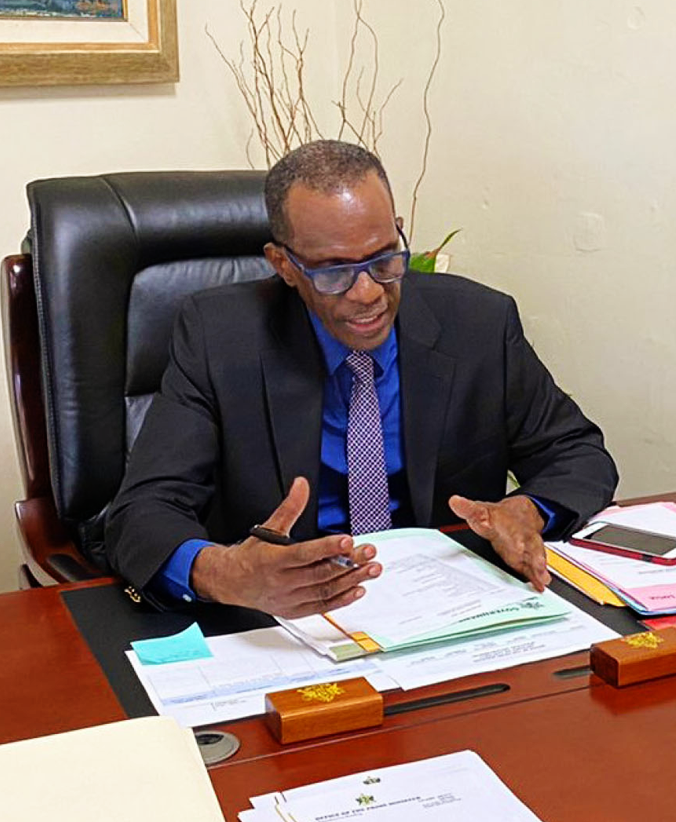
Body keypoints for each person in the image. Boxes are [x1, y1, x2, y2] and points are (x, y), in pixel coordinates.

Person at [106, 140, 618, 617]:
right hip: (287, 619)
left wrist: (527, 510)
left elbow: (576, 453)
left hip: (447, 610)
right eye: (334, 271)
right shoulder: (220, 339)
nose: (368, 292)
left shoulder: (478, 325)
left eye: (383, 258)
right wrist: (225, 573)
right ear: (283, 265)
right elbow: (143, 511)